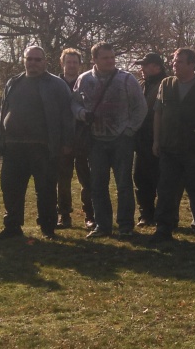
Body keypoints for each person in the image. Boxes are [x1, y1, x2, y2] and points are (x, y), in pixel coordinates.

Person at [0, 45, 76, 240]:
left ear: (45, 62)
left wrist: (66, 142)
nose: (33, 63)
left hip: (44, 147)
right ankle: (12, 227)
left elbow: (68, 115)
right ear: (24, 60)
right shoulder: (13, 82)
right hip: (13, 146)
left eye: (37, 59)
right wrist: (1, 137)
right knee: (11, 188)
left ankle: (48, 228)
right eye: (29, 59)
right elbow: (3, 110)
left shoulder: (56, 85)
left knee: (46, 190)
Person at [73, 42, 148, 238]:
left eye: (112, 57)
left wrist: (129, 130)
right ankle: (102, 225)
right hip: (96, 140)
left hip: (121, 139)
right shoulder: (84, 79)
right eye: (105, 58)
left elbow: (140, 107)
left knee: (124, 184)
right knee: (98, 184)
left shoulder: (127, 79)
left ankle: (125, 226)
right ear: (94, 59)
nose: (110, 61)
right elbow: (74, 104)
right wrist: (82, 114)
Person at [151, 47, 195, 244]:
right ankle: (163, 228)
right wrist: (156, 140)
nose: (174, 64)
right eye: (174, 61)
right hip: (170, 148)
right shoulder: (166, 84)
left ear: (192, 64)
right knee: (166, 190)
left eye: (179, 61)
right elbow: (158, 112)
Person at [56, 48, 93, 230]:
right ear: (62, 63)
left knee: (87, 179)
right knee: (63, 179)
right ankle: (64, 215)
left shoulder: (87, 83)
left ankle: (90, 215)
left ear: (80, 64)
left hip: (84, 138)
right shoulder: (54, 85)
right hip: (62, 138)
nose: (71, 65)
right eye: (68, 62)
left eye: (75, 62)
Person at [134, 52, 167, 227]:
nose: (142, 68)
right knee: (141, 177)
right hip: (142, 140)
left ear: (157, 67)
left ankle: (161, 215)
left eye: (145, 65)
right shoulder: (141, 84)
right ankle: (146, 213)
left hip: (159, 139)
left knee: (160, 179)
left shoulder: (166, 85)